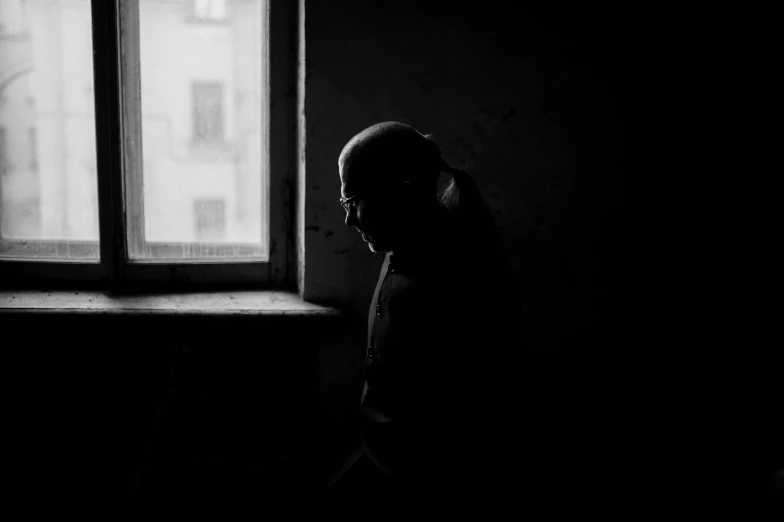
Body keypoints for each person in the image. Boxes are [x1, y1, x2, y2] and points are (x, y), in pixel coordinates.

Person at [314, 121, 544, 519]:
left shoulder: (463, 282)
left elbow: (466, 432)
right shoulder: (402, 249)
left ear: (398, 192)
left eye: (352, 202)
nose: (349, 221)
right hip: (386, 461)